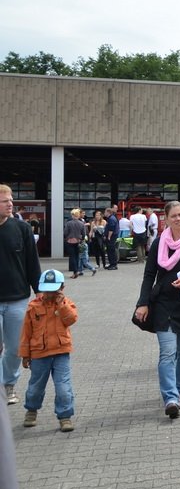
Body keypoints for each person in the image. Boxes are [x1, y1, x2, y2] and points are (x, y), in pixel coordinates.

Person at [134, 201, 180, 420]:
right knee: (168, 352)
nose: (178, 219)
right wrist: (143, 302)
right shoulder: (159, 243)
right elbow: (149, 275)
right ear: (166, 219)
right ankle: (170, 398)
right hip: (164, 305)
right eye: (173, 216)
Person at [19, 270, 77, 432]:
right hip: (39, 355)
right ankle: (31, 410)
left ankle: (65, 416)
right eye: (47, 289)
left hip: (61, 353)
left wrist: (61, 304)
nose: (49, 293)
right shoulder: (33, 306)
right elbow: (26, 333)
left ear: (62, 288)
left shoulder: (66, 304)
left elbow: (71, 319)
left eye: (54, 290)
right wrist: (25, 355)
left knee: (63, 387)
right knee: (35, 387)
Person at [1, 184, 42, 406]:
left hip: (17, 299)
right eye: (4, 200)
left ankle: (8, 384)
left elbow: (32, 264)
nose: (10, 204)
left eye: (11, 200)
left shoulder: (22, 229)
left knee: (15, 348)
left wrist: (41, 293)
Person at [63, 209, 87, 278]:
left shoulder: (68, 223)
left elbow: (65, 233)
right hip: (78, 241)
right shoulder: (81, 223)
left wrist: (66, 238)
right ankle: (76, 271)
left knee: (72, 256)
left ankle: (75, 271)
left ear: (73, 215)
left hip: (70, 241)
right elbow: (84, 233)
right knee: (77, 257)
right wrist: (81, 239)